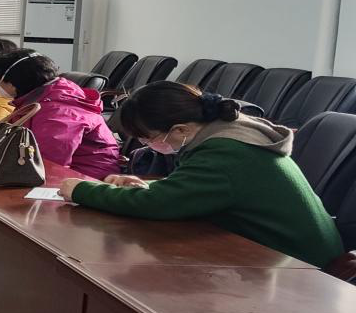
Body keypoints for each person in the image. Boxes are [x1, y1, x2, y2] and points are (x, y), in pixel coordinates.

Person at [58, 82, 343, 268]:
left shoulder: (227, 152)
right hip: (276, 253)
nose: (146, 145)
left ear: (180, 129)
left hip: (300, 266)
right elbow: (203, 191)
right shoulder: (225, 134)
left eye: (149, 138)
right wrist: (146, 187)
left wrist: (81, 189)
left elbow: (161, 204)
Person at [0, 49, 120, 180]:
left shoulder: (59, 112)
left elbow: (48, 164)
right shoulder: (42, 97)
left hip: (87, 179)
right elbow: (14, 133)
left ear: (13, 83)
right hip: (64, 173)